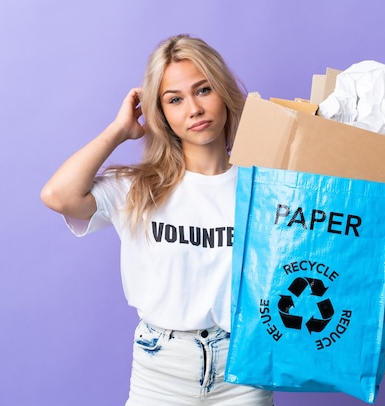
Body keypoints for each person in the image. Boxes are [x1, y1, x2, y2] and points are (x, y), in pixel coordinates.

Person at [40, 34, 274, 405]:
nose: (193, 109)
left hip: (242, 367)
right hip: (161, 368)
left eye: (203, 89)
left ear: (224, 93)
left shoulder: (267, 187)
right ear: (160, 113)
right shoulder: (137, 187)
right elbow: (58, 196)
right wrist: (119, 130)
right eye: (174, 99)